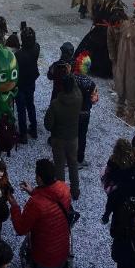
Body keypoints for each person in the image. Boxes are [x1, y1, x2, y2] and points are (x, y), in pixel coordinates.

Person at [7, 157, 72, 268]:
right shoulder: (64, 188)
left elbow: (21, 229)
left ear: (40, 178)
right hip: (63, 248)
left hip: (45, 256)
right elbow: (51, 195)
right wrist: (33, 192)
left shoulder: (36, 204)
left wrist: (14, 206)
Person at [44, 73, 82, 201]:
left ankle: (61, 194)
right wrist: (70, 73)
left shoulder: (55, 104)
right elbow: (75, 86)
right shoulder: (78, 98)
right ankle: (75, 191)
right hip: (73, 138)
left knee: (59, 166)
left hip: (58, 139)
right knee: (73, 164)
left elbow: (48, 125)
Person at [15, 25, 40, 143]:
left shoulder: (18, 55)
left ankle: (23, 134)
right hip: (31, 81)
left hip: (20, 83)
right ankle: (34, 129)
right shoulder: (36, 48)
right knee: (30, 105)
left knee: (21, 109)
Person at [72, 52, 98, 167]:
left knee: (71, 135)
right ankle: (80, 159)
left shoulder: (72, 79)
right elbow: (94, 100)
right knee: (82, 136)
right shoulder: (91, 84)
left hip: (72, 112)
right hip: (85, 113)